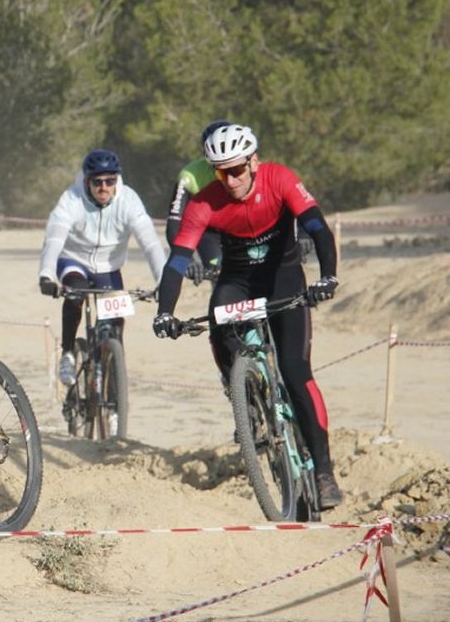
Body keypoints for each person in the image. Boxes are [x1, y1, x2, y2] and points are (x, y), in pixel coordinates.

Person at [151, 123, 344, 509]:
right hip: (237, 281)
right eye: (221, 172)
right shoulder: (204, 202)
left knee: (296, 371)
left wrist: (328, 276)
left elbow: (318, 227)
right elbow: (178, 260)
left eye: (237, 169)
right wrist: (164, 312)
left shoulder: (280, 179)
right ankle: (244, 395)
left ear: (253, 162)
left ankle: (324, 472)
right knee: (218, 325)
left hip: (284, 278)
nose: (231, 180)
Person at [38, 149, 167, 387]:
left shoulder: (128, 201)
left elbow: (150, 244)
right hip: (73, 259)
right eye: (97, 182)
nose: (104, 188)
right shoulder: (71, 200)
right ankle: (67, 354)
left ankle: (113, 380)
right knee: (75, 293)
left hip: (108, 266)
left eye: (110, 181)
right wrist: (46, 275)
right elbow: (54, 239)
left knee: (116, 322)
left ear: (117, 180)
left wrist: (164, 280)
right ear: (87, 181)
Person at [166, 120, 230, 285]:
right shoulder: (190, 175)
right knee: (220, 274)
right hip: (210, 233)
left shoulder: (252, 169)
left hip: (242, 228)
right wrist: (186, 260)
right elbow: (174, 225)